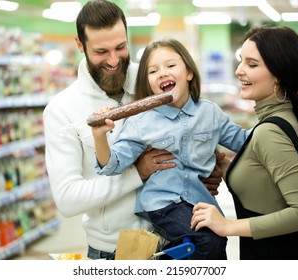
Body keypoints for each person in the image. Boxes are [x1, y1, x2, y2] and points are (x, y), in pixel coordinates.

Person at [42, 0, 223, 260]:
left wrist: (208, 170)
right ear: (80, 45)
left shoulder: (154, 80)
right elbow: (68, 199)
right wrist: (137, 173)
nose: (114, 60)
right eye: (101, 51)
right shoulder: (62, 109)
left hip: (177, 244)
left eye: (120, 47)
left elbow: (196, 124)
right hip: (113, 254)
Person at [91, 38, 249, 259]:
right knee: (208, 240)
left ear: (189, 73)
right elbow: (112, 164)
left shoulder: (210, 114)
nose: (162, 73)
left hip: (199, 199)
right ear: (148, 83)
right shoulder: (141, 121)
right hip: (162, 204)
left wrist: (275, 124)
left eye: (171, 66)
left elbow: (245, 141)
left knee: (216, 241)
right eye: (153, 71)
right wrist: (99, 137)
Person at [191, 25, 298, 260]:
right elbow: (265, 187)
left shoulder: (270, 132)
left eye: (252, 64)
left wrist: (227, 226)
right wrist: (224, 165)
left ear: (278, 74)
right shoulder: (284, 118)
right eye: (241, 61)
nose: (239, 71)